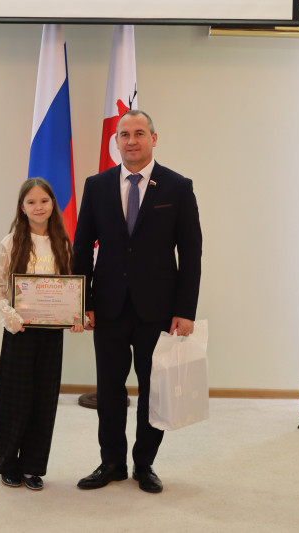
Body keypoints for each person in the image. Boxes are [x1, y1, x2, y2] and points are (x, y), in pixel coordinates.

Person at [72, 109, 203, 493]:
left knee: (153, 391)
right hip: (108, 307)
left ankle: (144, 465)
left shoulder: (178, 187)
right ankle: (111, 463)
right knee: (109, 390)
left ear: (153, 138)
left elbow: (190, 253)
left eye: (139, 133)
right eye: (124, 134)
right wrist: (83, 301)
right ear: (116, 141)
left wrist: (185, 311)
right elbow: (82, 247)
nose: (131, 140)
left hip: (158, 310)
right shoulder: (97, 186)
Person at [0, 177, 83, 491]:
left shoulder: (63, 242)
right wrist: (10, 318)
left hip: (51, 335)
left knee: (44, 399)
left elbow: (70, 288)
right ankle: (8, 464)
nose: (38, 207)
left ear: (53, 204)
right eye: (31, 202)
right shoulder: (11, 242)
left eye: (44, 201)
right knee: (15, 399)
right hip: (20, 331)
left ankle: (33, 466)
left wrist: (75, 315)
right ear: (22, 207)